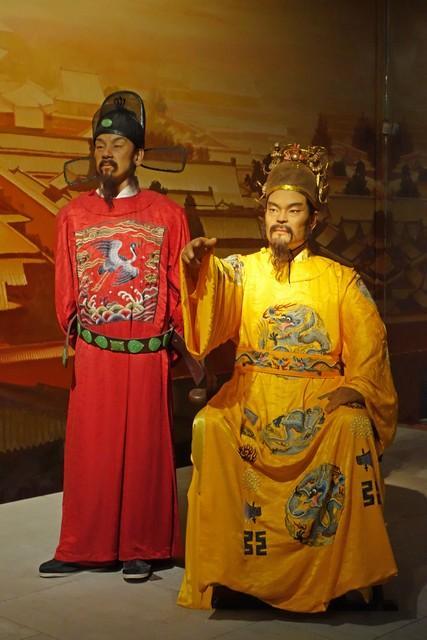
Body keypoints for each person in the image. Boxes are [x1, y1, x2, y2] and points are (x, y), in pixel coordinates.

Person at [177, 143, 398, 612]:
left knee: (353, 425)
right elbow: (213, 299)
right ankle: (230, 572)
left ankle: (348, 575)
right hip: (253, 393)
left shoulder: (341, 279)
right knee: (209, 426)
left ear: (312, 220)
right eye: (273, 209)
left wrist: (356, 386)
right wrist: (197, 270)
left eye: (293, 210)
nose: (281, 219)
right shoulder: (244, 271)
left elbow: (370, 343)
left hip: (317, 399)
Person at [39, 90, 189, 582]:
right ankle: (84, 545)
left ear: (138, 155)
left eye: (118, 145)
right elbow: (66, 289)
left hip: (146, 353)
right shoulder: (74, 215)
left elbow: (178, 288)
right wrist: (83, 337)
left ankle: (142, 545)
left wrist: (171, 344)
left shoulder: (166, 215)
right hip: (96, 351)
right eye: (100, 145)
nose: (107, 153)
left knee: (145, 450)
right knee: (91, 451)